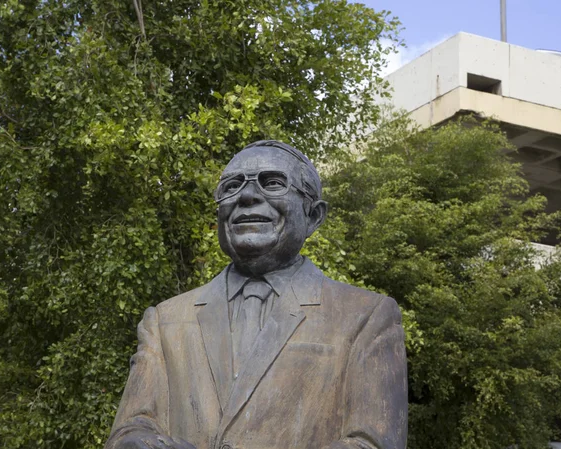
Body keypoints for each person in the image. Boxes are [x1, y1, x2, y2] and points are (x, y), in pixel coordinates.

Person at [105, 141, 408, 449]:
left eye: (273, 183)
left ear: (314, 216)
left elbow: (373, 443)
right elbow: (131, 428)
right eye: (232, 186)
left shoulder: (366, 316)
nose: (247, 196)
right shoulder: (165, 320)